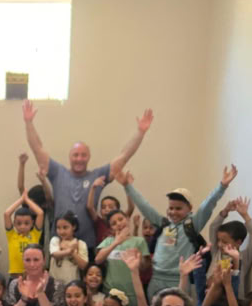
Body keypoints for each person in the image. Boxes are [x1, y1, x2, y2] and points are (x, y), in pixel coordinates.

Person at [22, 100, 154, 248]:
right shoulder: (57, 172)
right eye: (76, 155)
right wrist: (29, 123)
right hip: (59, 245)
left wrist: (140, 132)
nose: (79, 159)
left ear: (89, 157)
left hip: (87, 246)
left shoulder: (98, 175)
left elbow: (124, 156)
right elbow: (37, 149)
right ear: (70, 157)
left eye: (83, 155)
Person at [122, 165, 237, 297]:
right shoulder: (163, 224)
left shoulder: (192, 225)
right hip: (156, 279)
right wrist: (128, 186)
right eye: (171, 208)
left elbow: (207, 205)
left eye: (178, 208)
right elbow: (145, 206)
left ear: (190, 208)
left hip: (179, 280)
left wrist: (222, 186)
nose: (173, 212)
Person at [95, 180, 152, 306]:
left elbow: (145, 267)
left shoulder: (139, 241)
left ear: (127, 219)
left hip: (132, 292)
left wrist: (139, 259)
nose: (119, 224)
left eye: (121, 219)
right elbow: (98, 260)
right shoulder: (108, 241)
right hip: (110, 292)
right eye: (114, 223)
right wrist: (116, 242)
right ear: (111, 228)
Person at [207, 196, 252, 298]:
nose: (219, 244)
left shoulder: (244, 257)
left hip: (233, 301)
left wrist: (245, 215)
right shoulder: (216, 252)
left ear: (238, 242)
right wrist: (225, 211)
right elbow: (213, 227)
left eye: (224, 241)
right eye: (218, 240)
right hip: (210, 298)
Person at [4, 186, 44, 277]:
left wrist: (27, 200)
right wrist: (21, 199)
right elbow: (7, 214)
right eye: (19, 223)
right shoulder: (11, 235)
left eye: (26, 223)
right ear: (14, 223)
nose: (22, 226)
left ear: (32, 223)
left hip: (33, 274)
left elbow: (40, 213)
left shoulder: (35, 234)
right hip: (15, 275)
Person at [87, 175, 135, 245]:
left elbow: (131, 207)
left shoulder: (121, 220)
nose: (107, 209)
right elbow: (90, 207)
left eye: (111, 207)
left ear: (117, 210)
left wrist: (127, 187)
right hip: (102, 250)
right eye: (103, 207)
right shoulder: (99, 222)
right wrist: (93, 187)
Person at [49, 211, 88, 283]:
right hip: (55, 283)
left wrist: (73, 253)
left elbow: (84, 266)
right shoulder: (55, 240)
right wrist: (69, 250)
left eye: (65, 227)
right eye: (58, 228)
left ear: (74, 226)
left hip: (73, 283)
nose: (61, 231)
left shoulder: (80, 244)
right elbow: (55, 254)